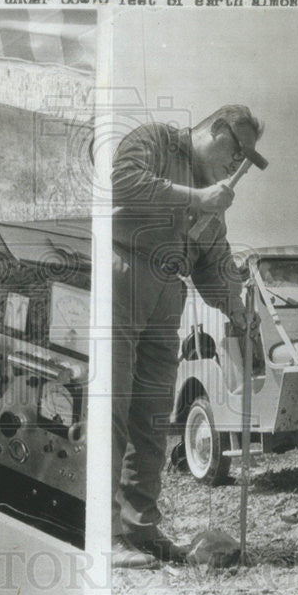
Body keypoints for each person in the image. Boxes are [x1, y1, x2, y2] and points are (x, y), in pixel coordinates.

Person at [111, 104, 266, 569]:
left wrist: (237, 313)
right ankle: (101, 534)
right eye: (236, 152)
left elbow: (215, 268)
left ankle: (138, 528)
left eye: (246, 162)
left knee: (152, 417)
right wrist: (196, 199)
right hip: (122, 276)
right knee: (113, 406)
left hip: (167, 297)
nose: (237, 167)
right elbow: (121, 181)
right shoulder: (157, 140)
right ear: (215, 131)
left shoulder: (213, 208)